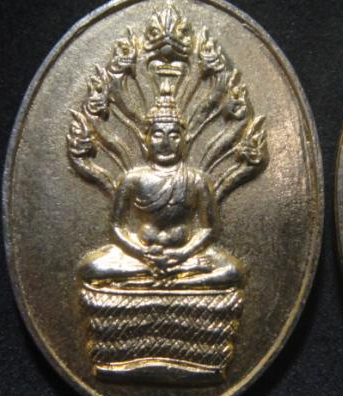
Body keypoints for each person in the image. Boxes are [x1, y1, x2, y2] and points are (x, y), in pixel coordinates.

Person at [77, 93, 242, 289]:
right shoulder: (133, 179)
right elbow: (116, 227)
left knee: (233, 271)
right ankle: (176, 277)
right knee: (90, 268)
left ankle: (166, 277)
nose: (165, 142)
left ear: (185, 140)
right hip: (139, 256)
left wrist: (183, 254)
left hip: (186, 254)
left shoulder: (196, 180)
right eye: (157, 135)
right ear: (145, 140)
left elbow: (210, 228)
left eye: (174, 135)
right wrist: (141, 253)